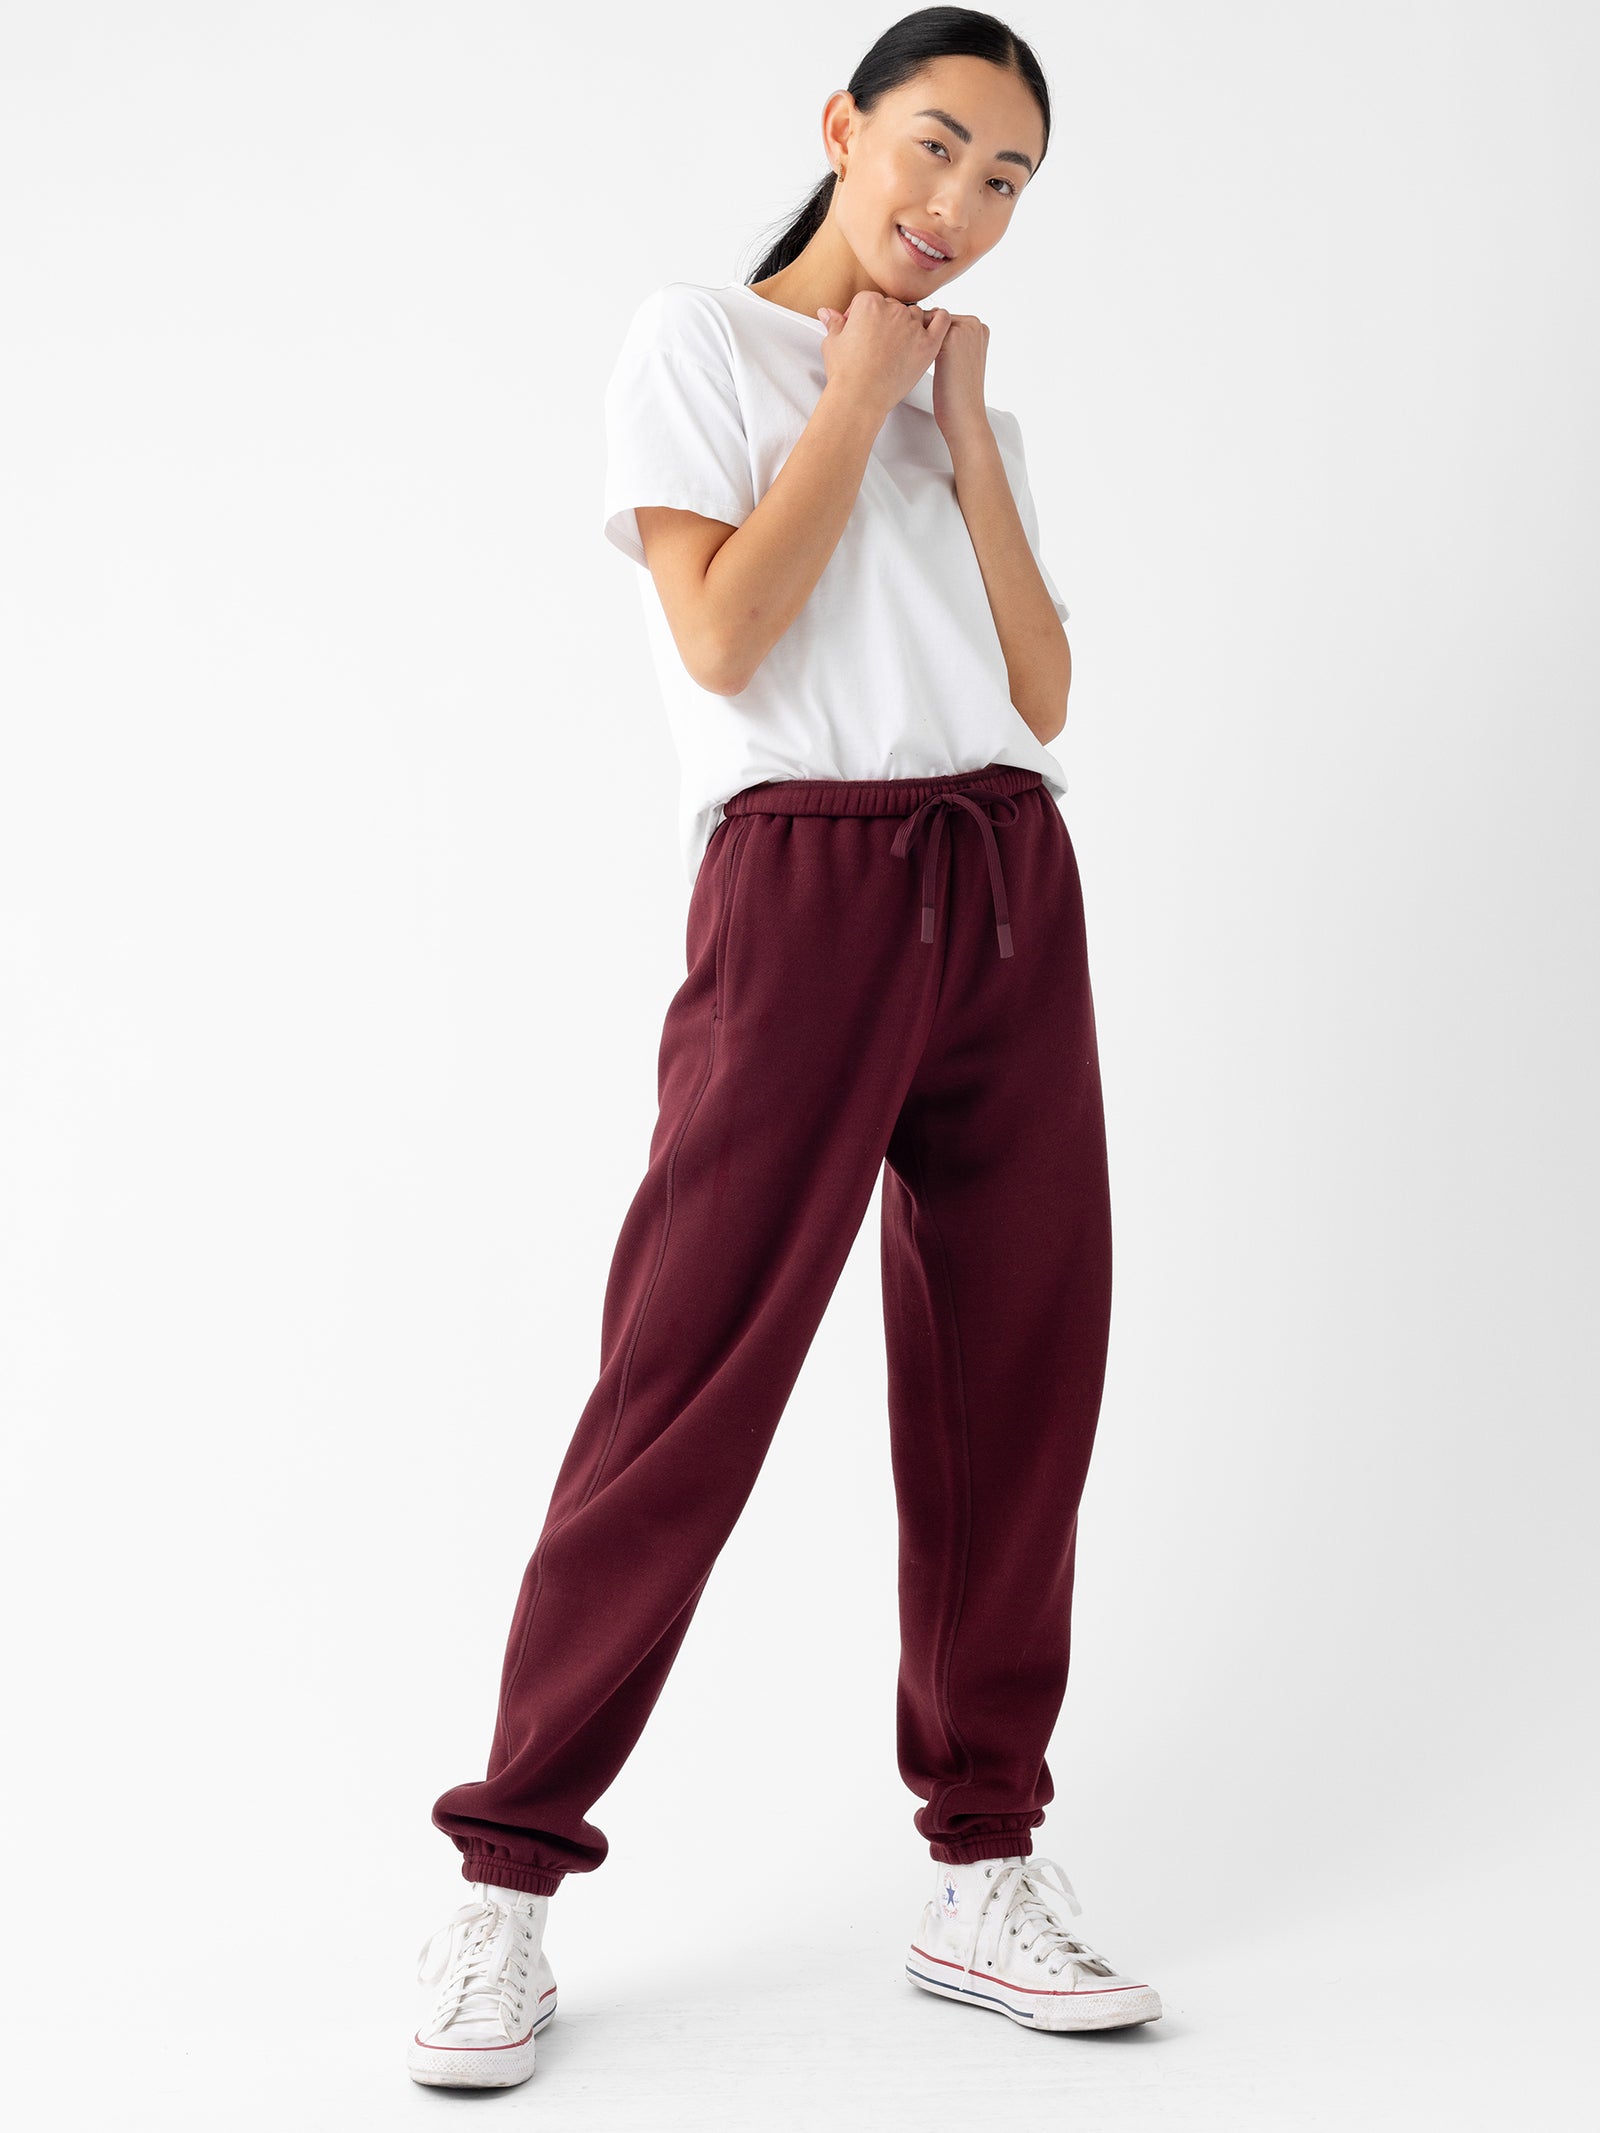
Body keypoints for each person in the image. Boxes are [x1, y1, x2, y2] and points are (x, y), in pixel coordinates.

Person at [407, 9, 1162, 2091]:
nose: (957, 209)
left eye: (1004, 182)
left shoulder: (964, 397)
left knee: (1020, 1370)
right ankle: (504, 1888)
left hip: (1008, 878)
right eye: (932, 149)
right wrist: (851, 393)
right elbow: (724, 634)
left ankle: (978, 1864)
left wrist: (966, 437)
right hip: (803, 884)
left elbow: (1042, 684)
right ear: (840, 128)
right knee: (685, 1373)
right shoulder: (697, 345)